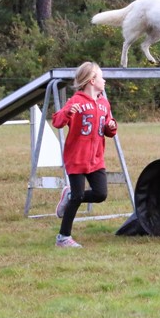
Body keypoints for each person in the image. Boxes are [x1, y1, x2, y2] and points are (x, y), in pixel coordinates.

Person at [52, 61, 118, 248]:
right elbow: (57, 121)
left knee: (100, 194)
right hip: (77, 157)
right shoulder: (76, 101)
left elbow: (109, 128)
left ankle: (71, 194)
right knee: (78, 197)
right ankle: (63, 237)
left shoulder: (104, 103)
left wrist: (111, 127)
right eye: (101, 76)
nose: (104, 80)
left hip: (96, 159)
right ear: (91, 80)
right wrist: (67, 112)